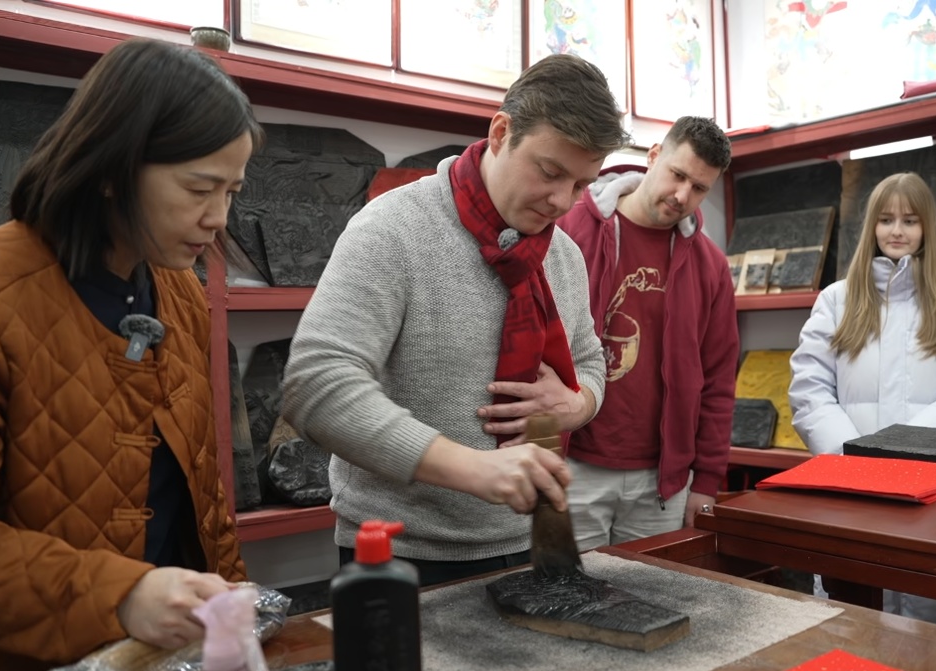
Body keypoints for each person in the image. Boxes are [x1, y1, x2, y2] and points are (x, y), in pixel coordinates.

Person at [282, 54, 628, 586]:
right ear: (501, 133)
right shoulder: (392, 229)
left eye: (582, 184)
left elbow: (589, 363)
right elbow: (317, 386)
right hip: (401, 553)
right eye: (550, 172)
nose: (563, 201)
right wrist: (473, 469)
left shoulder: (563, 255)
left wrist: (577, 403)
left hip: (531, 540)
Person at [0, 38, 260, 671]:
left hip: (170, 668)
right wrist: (121, 593)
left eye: (231, 191)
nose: (218, 218)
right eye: (199, 188)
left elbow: (202, 494)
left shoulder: (178, 290)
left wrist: (234, 615)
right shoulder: (6, 293)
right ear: (111, 169)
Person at [788, 172, 936, 631]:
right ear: (872, 227)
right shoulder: (836, 300)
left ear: (928, 225)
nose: (897, 230)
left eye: (910, 219)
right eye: (886, 220)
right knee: (852, 628)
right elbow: (810, 391)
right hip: (851, 490)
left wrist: (902, 457)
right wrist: (855, 462)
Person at [554, 116, 739, 550]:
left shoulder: (711, 266)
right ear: (654, 156)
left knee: (654, 590)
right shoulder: (569, 229)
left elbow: (718, 379)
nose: (682, 196)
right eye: (678, 175)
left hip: (663, 481)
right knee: (568, 592)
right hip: (572, 465)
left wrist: (706, 481)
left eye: (699, 188)